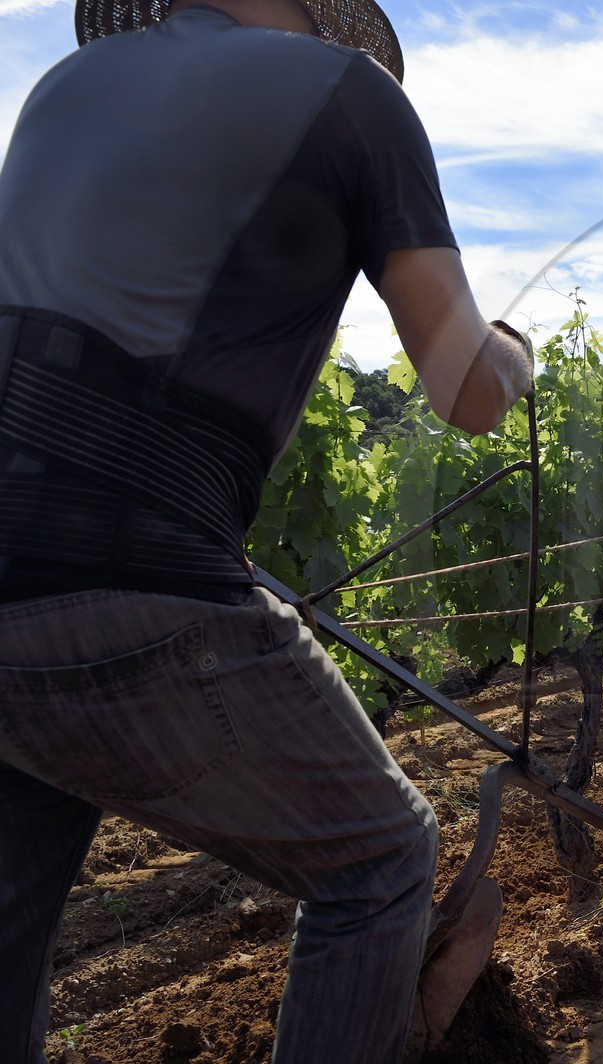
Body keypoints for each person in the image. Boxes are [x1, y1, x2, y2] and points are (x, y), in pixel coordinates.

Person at [0, 1, 534, 1060]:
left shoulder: (58, 92)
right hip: (130, 571)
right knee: (380, 858)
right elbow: (467, 390)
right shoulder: (350, 97)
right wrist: (513, 352)